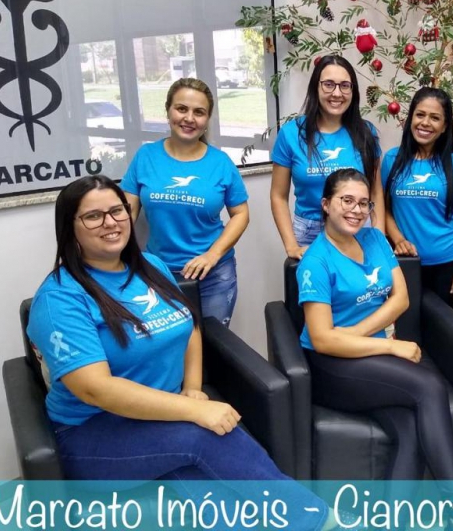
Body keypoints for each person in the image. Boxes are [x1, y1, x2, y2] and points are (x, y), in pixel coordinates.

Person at [26, 175, 329, 530]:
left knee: (211, 489)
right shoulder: (60, 298)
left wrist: (193, 388)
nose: (110, 222)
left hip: (160, 415)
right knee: (203, 435)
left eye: (117, 210)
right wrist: (194, 411)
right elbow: (96, 389)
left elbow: (190, 325)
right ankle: (319, 519)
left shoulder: (150, 267)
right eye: (93, 216)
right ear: (70, 227)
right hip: (93, 432)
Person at [297, 168, 453, 481]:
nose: (357, 210)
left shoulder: (374, 238)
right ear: (326, 204)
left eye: (364, 203)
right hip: (332, 366)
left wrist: (355, 334)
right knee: (429, 386)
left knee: (410, 430)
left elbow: (401, 299)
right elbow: (323, 340)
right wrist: (390, 346)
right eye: (347, 200)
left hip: (368, 356)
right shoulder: (315, 262)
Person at [121, 78, 248, 327]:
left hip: (213, 276)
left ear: (207, 119)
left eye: (199, 112)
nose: (189, 118)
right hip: (158, 273)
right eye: (181, 109)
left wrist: (212, 255)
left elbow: (241, 214)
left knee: (213, 344)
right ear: (168, 111)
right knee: (168, 343)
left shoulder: (220, 162)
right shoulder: (146, 156)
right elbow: (126, 214)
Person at [271, 55, 384, 259]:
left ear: (353, 91)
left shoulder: (367, 133)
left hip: (358, 227)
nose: (337, 93)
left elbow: (375, 191)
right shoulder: (291, 133)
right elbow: (278, 196)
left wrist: (379, 238)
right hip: (309, 232)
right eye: (329, 84)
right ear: (316, 87)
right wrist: (291, 246)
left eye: (345, 86)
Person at [382, 87, 453, 312]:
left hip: (450, 263)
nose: (425, 123)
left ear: (445, 126)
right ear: (410, 119)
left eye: (435, 118)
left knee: (441, 328)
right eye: (420, 115)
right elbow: (383, 209)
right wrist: (398, 239)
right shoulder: (392, 159)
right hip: (404, 262)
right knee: (406, 325)